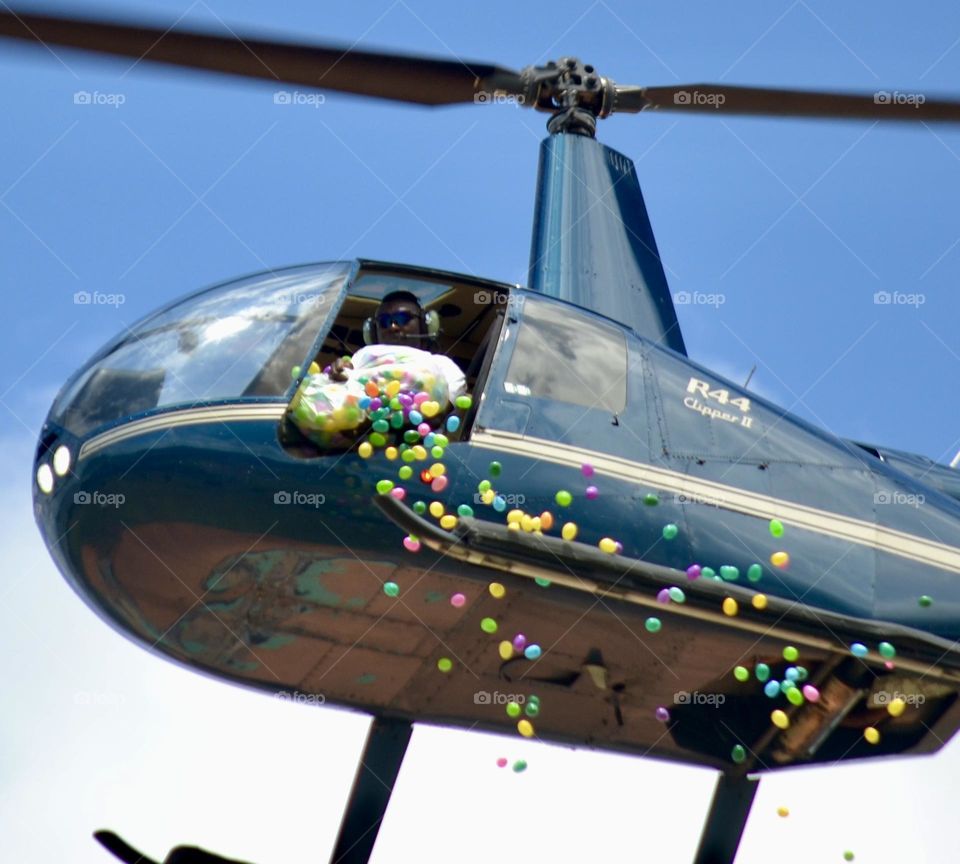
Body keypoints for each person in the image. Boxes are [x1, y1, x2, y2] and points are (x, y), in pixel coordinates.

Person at [287, 291, 465, 440]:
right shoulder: (361, 358)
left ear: (426, 326)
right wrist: (337, 379)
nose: (393, 327)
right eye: (384, 321)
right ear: (373, 330)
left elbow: (440, 413)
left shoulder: (444, 366)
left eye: (403, 318)